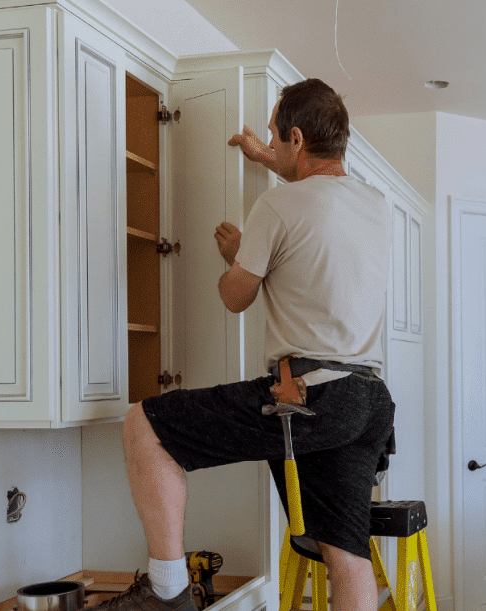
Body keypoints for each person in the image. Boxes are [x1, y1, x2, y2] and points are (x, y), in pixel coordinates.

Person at [87, 78, 394, 611]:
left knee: (143, 425)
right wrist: (270, 158)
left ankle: (166, 593)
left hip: (310, 395)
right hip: (367, 400)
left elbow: (235, 298)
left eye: (276, 138)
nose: (270, 146)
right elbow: (315, 191)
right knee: (348, 557)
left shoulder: (277, 208)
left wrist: (241, 256)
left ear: (297, 139)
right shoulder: (375, 205)